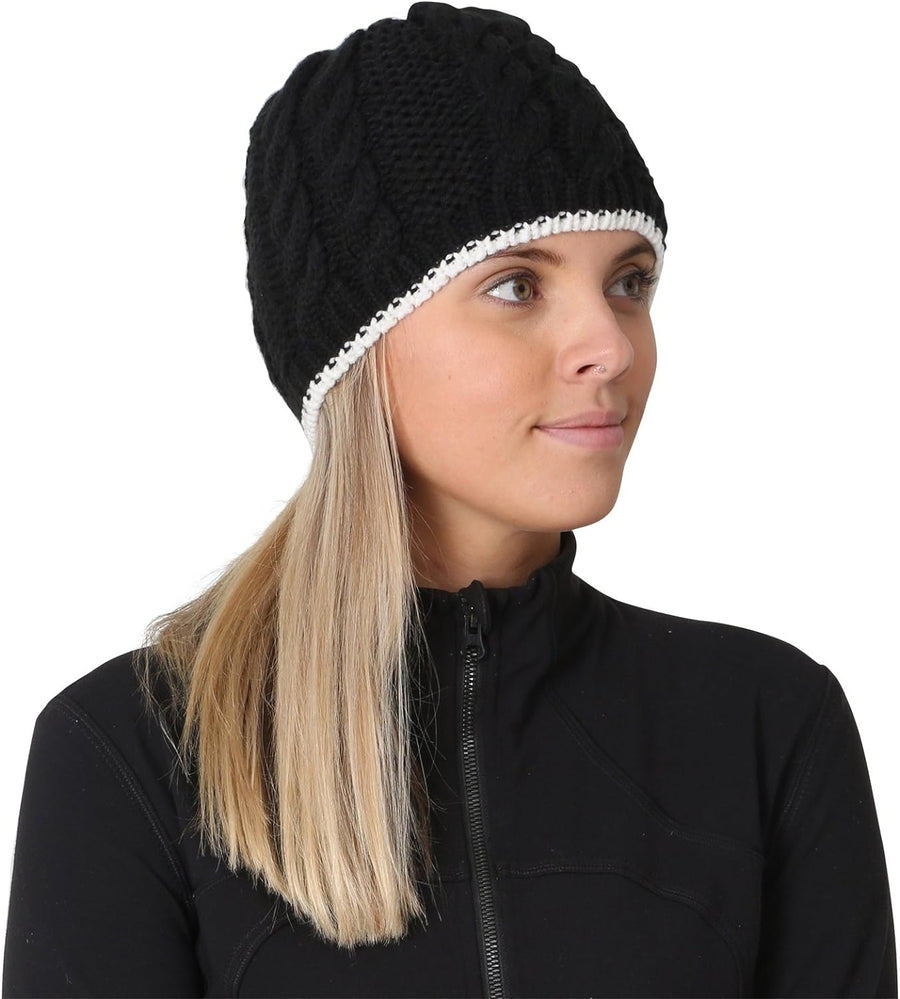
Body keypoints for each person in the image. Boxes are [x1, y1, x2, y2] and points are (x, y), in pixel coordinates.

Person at [3, 3, 895, 996]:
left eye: (630, 282)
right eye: (517, 286)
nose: (610, 346)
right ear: (356, 351)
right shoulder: (134, 755)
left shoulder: (767, 726)